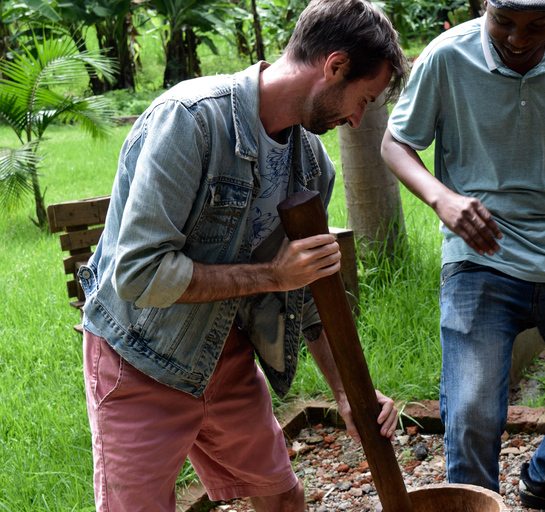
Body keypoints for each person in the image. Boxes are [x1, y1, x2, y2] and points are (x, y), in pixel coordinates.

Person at [77, 1, 408, 510]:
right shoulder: (190, 121)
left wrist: (345, 394)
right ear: (335, 66)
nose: (357, 119)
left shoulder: (311, 165)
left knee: (282, 500)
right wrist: (272, 275)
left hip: (223, 356)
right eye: (362, 99)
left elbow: (310, 293)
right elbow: (139, 273)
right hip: (139, 359)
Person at [381, 0, 545, 510]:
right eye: (505, 23)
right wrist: (442, 198)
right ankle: (476, 503)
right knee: (472, 410)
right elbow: (395, 143)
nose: (518, 38)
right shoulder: (446, 56)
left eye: (536, 26)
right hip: (480, 253)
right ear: (485, 7)